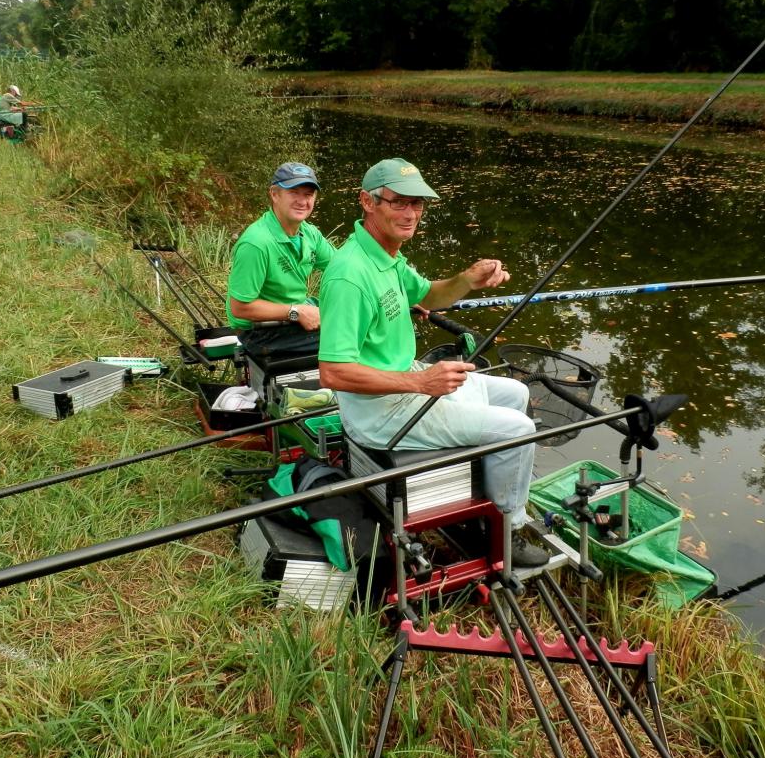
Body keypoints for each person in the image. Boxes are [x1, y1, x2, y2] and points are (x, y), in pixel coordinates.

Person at [317, 158, 551, 567]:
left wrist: (467, 280)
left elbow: (427, 295)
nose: (411, 214)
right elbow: (333, 372)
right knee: (519, 428)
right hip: (378, 414)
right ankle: (506, 530)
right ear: (366, 202)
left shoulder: (386, 255)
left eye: (418, 204)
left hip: (404, 383)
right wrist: (422, 382)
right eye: (399, 203)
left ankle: (479, 504)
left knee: (515, 392)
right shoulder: (349, 275)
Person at [226, 162, 336, 357]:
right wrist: (297, 312)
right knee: (349, 336)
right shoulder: (256, 243)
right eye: (294, 192)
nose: (302, 201)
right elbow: (240, 308)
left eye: (308, 194)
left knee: (359, 317)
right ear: (274, 194)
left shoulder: (310, 233)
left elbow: (343, 268)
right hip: (260, 332)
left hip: (290, 319)